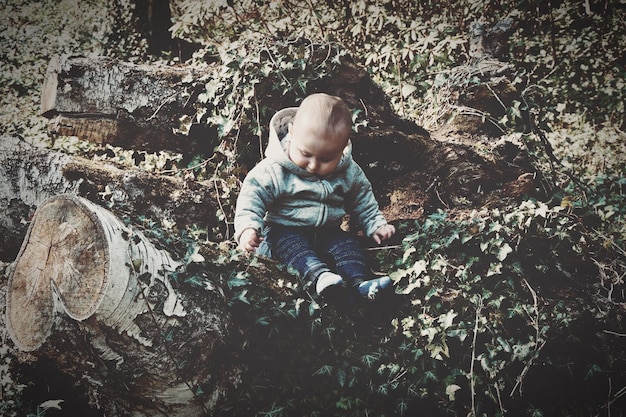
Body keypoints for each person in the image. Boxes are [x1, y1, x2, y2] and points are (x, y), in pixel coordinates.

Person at [234, 93, 395, 300]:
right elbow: (252, 198)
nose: (313, 165)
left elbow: (362, 199)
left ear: (342, 148)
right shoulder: (273, 169)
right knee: (291, 244)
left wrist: (376, 224)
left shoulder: (348, 171)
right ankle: (320, 278)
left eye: (326, 159)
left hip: (327, 231)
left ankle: (359, 284)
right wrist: (248, 228)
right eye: (306, 154)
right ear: (291, 133)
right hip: (281, 232)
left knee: (346, 244)